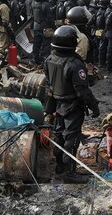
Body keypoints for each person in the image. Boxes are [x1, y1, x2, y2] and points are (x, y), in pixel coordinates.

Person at [44, 25, 100, 183]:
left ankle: (60, 166)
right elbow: (82, 91)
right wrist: (94, 105)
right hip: (72, 106)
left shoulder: (49, 59)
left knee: (60, 134)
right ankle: (69, 173)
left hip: (57, 104)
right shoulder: (74, 64)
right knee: (72, 139)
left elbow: (48, 83)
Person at [32, 0, 55, 65]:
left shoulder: (33, 4)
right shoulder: (46, 5)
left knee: (36, 44)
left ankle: (35, 59)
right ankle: (47, 61)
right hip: (45, 27)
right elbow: (50, 18)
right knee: (46, 45)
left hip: (36, 27)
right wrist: (53, 27)